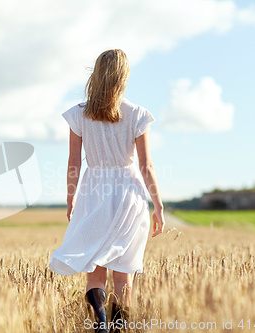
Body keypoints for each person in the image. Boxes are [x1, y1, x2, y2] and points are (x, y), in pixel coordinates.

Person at [48, 49, 166, 333]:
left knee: (95, 274)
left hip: (94, 192)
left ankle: (101, 324)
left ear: (96, 75)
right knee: (124, 276)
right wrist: (159, 205)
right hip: (129, 194)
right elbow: (146, 165)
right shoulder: (136, 114)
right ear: (124, 77)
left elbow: (74, 162)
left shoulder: (79, 114)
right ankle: (118, 329)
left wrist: (70, 196)